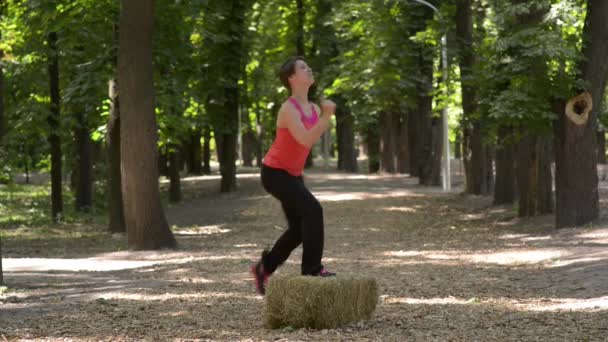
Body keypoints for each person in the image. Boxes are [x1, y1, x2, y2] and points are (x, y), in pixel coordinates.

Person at [251, 56, 337, 295]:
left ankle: (264, 268)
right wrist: (327, 117)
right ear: (291, 78)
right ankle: (312, 270)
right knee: (313, 210)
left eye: (309, 66)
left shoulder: (313, 108)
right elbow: (306, 139)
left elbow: (306, 145)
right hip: (275, 173)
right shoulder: (288, 109)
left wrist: (323, 116)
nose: (308, 69)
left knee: (300, 229)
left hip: (292, 174)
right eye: (302, 67)